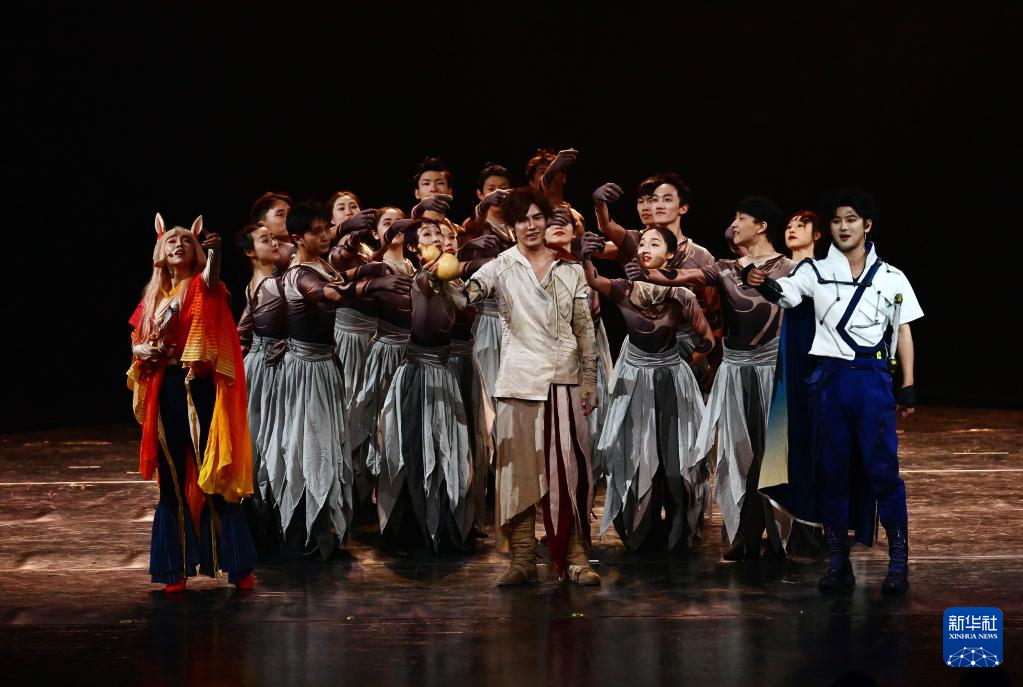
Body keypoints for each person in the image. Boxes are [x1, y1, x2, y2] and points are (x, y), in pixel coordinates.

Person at [746, 189, 922, 594]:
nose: (843, 227)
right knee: (832, 473)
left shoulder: (892, 277)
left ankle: (898, 563)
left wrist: (909, 384)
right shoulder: (815, 271)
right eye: (837, 220)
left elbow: (904, 330)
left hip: (874, 381)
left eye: (851, 219)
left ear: (867, 225)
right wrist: (763, 284)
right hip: (829, 382)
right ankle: (838, 561)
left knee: (883, 473)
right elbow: (788, 294)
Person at [440, 188, 601, 586]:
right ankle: (523, 558)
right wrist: (439, 278)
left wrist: (590, 378)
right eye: (522, 220)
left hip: (563, 380)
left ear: (546, 221)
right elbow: (465, 299)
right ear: (512, 227)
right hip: (518, 382)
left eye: (537, 218)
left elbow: (584, 327)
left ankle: (576, 557)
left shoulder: (569, 268)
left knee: (568, 472)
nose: (531, 226)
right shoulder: (502, 265)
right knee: (518, 474)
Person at [631, 196, 792, 560]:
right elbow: (678, 276)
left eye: (741, 218)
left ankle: (777, 536)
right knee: (737, 455)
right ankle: (743, 533)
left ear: (761, 226)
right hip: (735, 371)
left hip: (773, 371)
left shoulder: (792, 269)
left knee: (773, 454)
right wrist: (644, 269)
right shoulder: (724, 268)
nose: (734, 224)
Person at [127, 213, 256, 592]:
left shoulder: (202, 287)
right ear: (159, 250)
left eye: (187, 240)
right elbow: (138, 341)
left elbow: (211, 277)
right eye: (172, 240)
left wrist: (215, 253)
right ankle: (175, 569)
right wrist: (143, 350)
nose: (179, 244)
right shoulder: (153, 297)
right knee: (171, 479)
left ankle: (237, 566)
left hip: (196, 387)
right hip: (164, 388)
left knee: (210, 471)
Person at [269, 202, 405, 558]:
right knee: (310, 445)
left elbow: (338, 280)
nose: (325, 235)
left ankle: (323, 526)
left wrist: (371, 267)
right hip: (307, 371)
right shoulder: (299, 273)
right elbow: (328, 293)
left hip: (324, 366)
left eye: (325, 228)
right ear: (298, 238)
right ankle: (304, 531)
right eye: (316, 231)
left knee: (329, 443)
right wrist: (373, 285)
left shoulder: (321, 263)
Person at [582, 228, 714, 551]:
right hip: (635, 381)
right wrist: (584, 256)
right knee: (637, 456)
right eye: (641, 243)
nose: (644, 247)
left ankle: (679, 531)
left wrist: (684, 362)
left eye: (654, 243)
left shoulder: (681, 295)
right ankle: (642, 531)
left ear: (669, 255)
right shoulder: (624, 288)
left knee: (675, 461)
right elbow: (593, 280)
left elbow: (708, 340)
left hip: (672, 381)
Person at [375, 219, 480, 549]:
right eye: (428, 235)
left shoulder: (452, 282)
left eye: (442, 234)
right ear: (413, 248)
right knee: (420, 447)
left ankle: (446, 523)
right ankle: (419, 527)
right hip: (420, 374)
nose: (438, 240)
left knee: (448, 448)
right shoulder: (424, 278)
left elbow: (465, 311)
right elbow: (428, 287)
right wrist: (438, 277)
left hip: (443, 373)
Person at [592, 176, 722, 388]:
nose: (657, 205)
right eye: (653, 200)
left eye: (666, 199)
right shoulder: (637, 242)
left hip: (687, 346)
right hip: (642, 347)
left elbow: (714, 313)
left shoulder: (701, 255)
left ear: (683, 208)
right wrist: (599, 203)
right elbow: (606, 227)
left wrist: (714, 364)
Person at [759, 211, 826, 552]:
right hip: (791, 363)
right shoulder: (789, 270)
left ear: (818, 234)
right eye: (788, 225)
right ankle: (800, 527)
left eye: (801, 225)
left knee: (809, 438)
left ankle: (814, 526)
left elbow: (787, 295)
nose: (792, 229)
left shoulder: (822, 270)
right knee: (793, 439)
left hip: (812, 365)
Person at [236, 223, 288, 546]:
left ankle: (267, 517)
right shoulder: (269, 284)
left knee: (267, 438)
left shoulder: (266, 282)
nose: (274, 242)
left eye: (273, 237)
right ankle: (263, 518)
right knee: (267, 438)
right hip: (267, 368)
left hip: (263, 362)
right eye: (265, 240)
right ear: (250, 252)